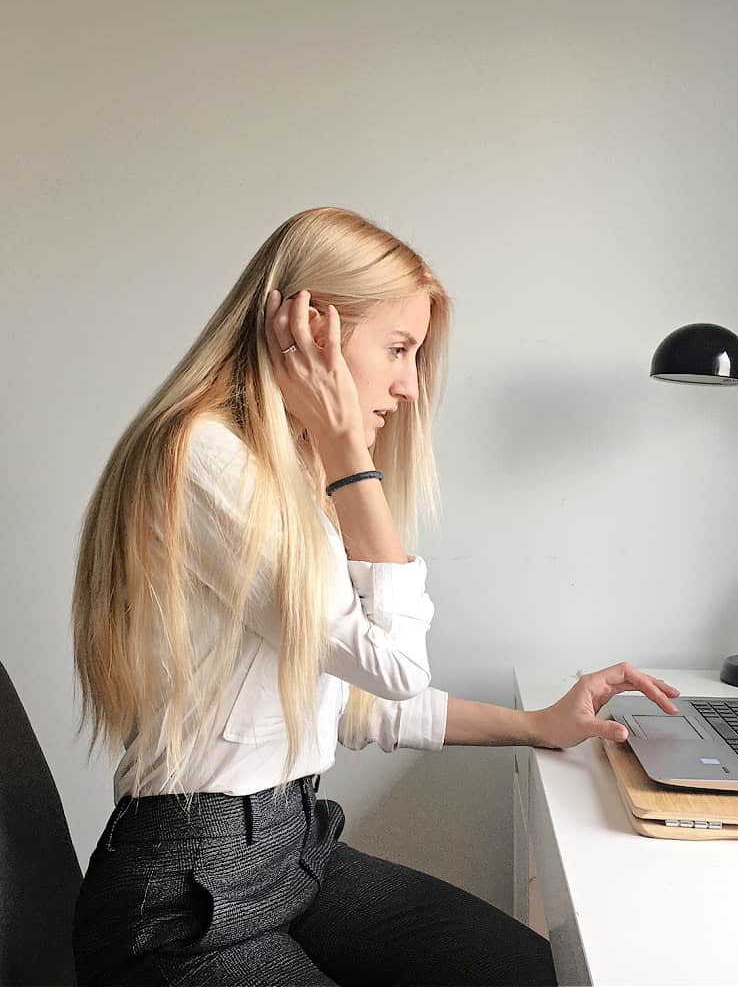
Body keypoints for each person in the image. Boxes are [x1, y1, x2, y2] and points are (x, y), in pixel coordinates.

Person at [71, 206, 681, 985]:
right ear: (309, 333)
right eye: (397, 349)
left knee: (530, 972)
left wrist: (537, 725)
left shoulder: (283, 471)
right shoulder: (203, 457)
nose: (408, 384)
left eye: (416, 355)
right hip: (188, 900)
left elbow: (360, 697)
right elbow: (393, 666)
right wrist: (346, 451)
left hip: (296, 848)